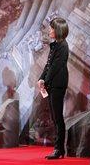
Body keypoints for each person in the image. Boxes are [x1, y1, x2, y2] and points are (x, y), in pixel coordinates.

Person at [38, 17, 69, 160]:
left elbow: (56, 66)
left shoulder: (63, 46)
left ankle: (59, 148)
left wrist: (46, 80)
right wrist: (41, 78)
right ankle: (58, 149)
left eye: (51, 28)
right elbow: (48, 65)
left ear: (58, 30)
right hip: (52, 84)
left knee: (57, 117)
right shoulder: (56, 45)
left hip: (58, 84)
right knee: (55, 117)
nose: (49, 30)